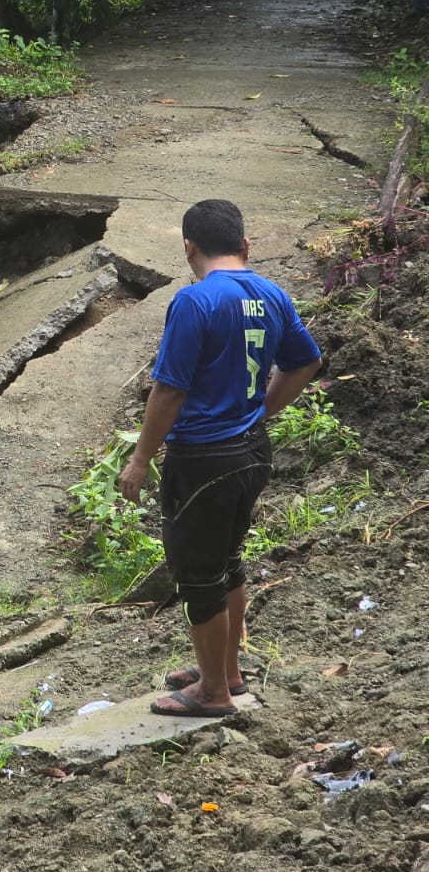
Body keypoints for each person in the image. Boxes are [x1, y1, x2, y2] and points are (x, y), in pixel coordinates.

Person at [118, 199, 322, 717]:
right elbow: (306, 361)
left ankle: (212, 694)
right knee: (227, 563)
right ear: (245, 245)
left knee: (198, 575)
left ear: (189, 248)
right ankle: (225, 671)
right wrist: (260, 412)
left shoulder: (196, 302)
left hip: (205, 458)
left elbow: (168, 391)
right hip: (252, 453)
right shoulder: (272, 294)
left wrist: (141, 459)